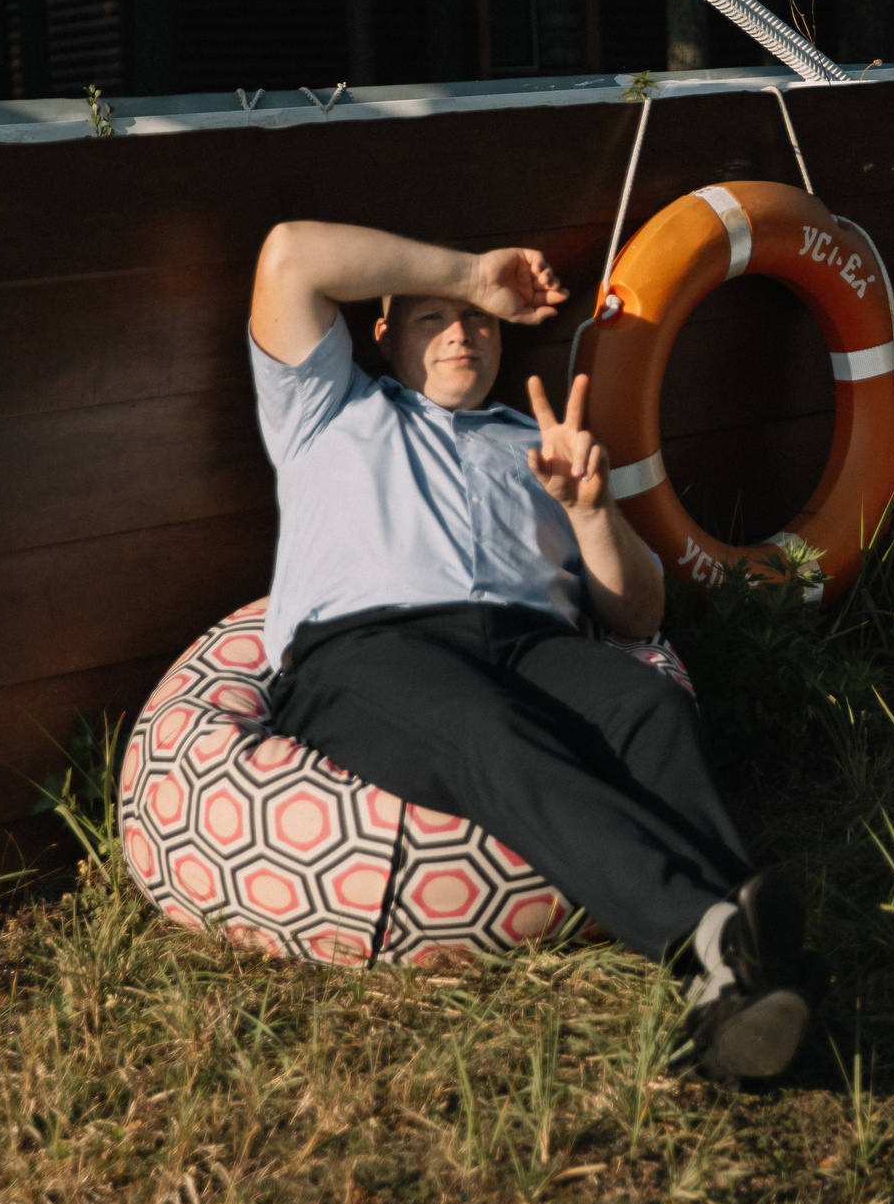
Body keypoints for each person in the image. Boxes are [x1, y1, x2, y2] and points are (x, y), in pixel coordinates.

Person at [246, 220, 816, 1080]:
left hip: (525, 641)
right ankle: (709, 934)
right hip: (368, 648)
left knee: (647, 706)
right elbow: (289, 252)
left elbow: (639, 617)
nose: (461, 331)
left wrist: (589, 508)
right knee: (490, 730)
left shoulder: (538, 442)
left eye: (476, 318)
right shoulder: (329, 407)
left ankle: (746, 981)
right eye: (431, 317)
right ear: (380, 333)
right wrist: (475, 273)